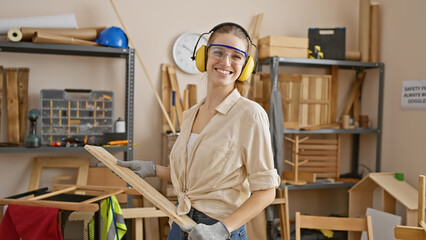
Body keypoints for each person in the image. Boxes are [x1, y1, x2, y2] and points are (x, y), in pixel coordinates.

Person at [118, 22, 280, 240]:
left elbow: (267, 191)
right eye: (219, 52)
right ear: (204, 56)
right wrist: (152, 169)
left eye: (236, 56)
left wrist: (222, 229)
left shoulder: (250, 115)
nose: (225, 62)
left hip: (220, 230)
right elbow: (196, 179)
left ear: (245, 66)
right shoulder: (191, 114)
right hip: (180, 221)